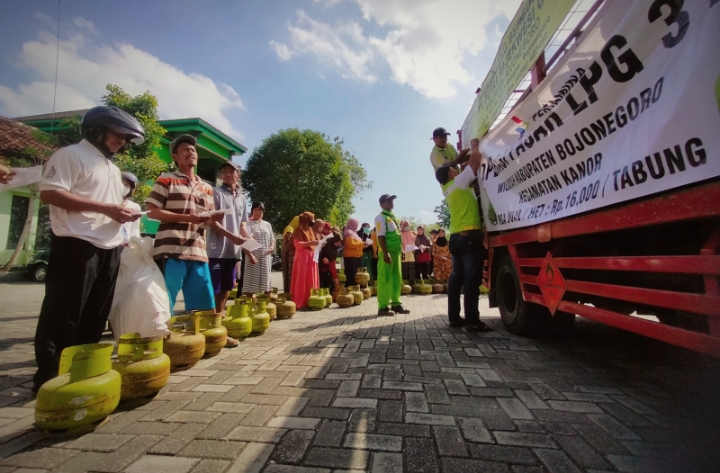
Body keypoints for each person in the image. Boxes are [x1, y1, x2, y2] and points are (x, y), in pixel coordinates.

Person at [33, 106, 144, 392]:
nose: (121, 141)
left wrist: (121, 214)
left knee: (95, 316)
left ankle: (81, 372)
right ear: (96, 128)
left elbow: (109, 208)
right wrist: (107, 208)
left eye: (125, 138)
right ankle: (50, 378)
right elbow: (50, 193)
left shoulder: (112, 167)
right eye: (117, 134)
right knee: (64, 314)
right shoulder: (70, 155)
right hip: (76, 244)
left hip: (109, 248)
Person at [146, 134, 223, 314]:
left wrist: (213, 219)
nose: (191, 152)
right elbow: (152, 212)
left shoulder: (206, 187)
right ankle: (161, 335)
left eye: (193, 149)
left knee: (204, 298)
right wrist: (187, 218)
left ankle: (211, 335)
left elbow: (208, 218)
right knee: (166, 297)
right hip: (171, 250)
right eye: (186, 149)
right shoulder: (166, 179)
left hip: (198, 251)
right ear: (175, 156)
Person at [435, 138, 492, 332]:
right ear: (451, 174)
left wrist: (464, 159)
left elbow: (467, 167)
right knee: (471, 280)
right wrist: (475, 145)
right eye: (454, 169)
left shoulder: (448, 188)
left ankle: (454, 318)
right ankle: (473, 322)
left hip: (457, 239)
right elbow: (474, 162)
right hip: (468, 239)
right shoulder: (459, 183)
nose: (456, 170)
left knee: (456, 279)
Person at [206, 161, 250, 318]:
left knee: (227, 287)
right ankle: (211, 320)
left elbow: (242, 225)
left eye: (232, 171)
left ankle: (220, 316)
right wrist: (232, 236)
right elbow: (211, 221)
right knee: (213, 287)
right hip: (217, 249)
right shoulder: (215, 192)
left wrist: (250, 243)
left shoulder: (242, 198)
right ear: (220, 175)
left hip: (234, 252)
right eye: (224, 171)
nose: (228, 174)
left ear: (238, 175)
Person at [375, 194, 410, 316]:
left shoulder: (393, 217)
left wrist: (402, 250)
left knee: (396, 278)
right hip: (387, 253)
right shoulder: (380, 218)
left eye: (392, 200)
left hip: (396, 252)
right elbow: (380, 236)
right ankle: (383, 307)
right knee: (385, 279)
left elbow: (396, 235)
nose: (391, 203)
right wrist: (385, 253)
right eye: (388, 201)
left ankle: (396, 304)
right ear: (382, 204)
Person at [242, 202, 274, 294]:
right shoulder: (247, 224)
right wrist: (250, 255)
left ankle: (266, 304)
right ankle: (250, 303)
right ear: (252, 211)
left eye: (260, 210)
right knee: (251, 283)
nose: (258, 212)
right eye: (256, 210)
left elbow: (272, 239)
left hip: (265, 258)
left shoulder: (267, 225)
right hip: (253, 257)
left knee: (266, 282)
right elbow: (244, 242)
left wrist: (271, 247)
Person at [290, 211, 320, 309]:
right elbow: (297, 244)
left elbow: (313, 243)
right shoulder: (298, 230)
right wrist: (311, 242)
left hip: (311, 257)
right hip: (302, 257)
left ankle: (310, 300)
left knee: (310, 278)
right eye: (310, 220)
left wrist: (319, 243)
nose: (312, 222)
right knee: (301, 278)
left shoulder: (310, 229)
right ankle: (300, 301)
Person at [319, 223, 341, 291]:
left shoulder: (333, 246)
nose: (339, 244)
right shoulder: (329, 247)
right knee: (326, 282)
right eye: (338, 242)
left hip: (327, 267)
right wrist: (336, 277)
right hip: (322, 267)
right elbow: (332, 264)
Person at [120, 172, 142, 244]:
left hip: (125, 245)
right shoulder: (109, 202)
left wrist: (134, 243)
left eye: (126, 185)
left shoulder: (135, 207)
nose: (123, 187)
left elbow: (134, 229)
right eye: (122, 184)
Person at [343, 218, 364, 286]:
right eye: (356, 224)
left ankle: (355, 290)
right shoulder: (349, 232)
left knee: (356, 275)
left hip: (356, 256)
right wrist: (362, 244)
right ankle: (351, 291)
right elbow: (351, 244)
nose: (357, 226)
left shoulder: (354, 233)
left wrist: (363, 245)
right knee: (351, 275)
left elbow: (357, 244)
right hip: (350, 257)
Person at [282, 216, 299, 292]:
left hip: (291, 254)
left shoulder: (294, 229)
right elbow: (289, 244)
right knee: (290, 274)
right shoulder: (290, 229)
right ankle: (289, 293)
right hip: (289, 255)